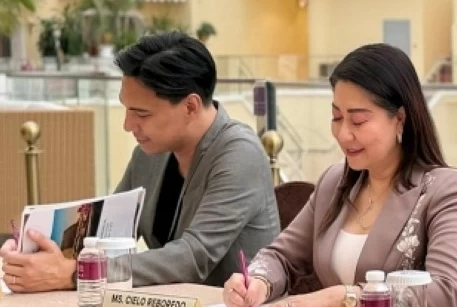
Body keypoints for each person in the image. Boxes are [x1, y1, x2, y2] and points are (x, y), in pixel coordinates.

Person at [2, 33, 279, 291]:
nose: (127, 124)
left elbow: (194, 257)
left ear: (190, 106)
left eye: (141, 114)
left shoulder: (240, 153)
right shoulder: (151, 152)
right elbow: (105, 228)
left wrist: (77, 273)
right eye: (126, 108)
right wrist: (34, 249)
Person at [224, 43, 457, 307]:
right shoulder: (335, 182)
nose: (343, 134)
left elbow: (446, 292)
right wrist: (258, 283)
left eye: (357, 121)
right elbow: (281, 257)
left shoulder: (446, 190)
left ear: (400, 119)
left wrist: (341, 298)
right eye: (336, 117)